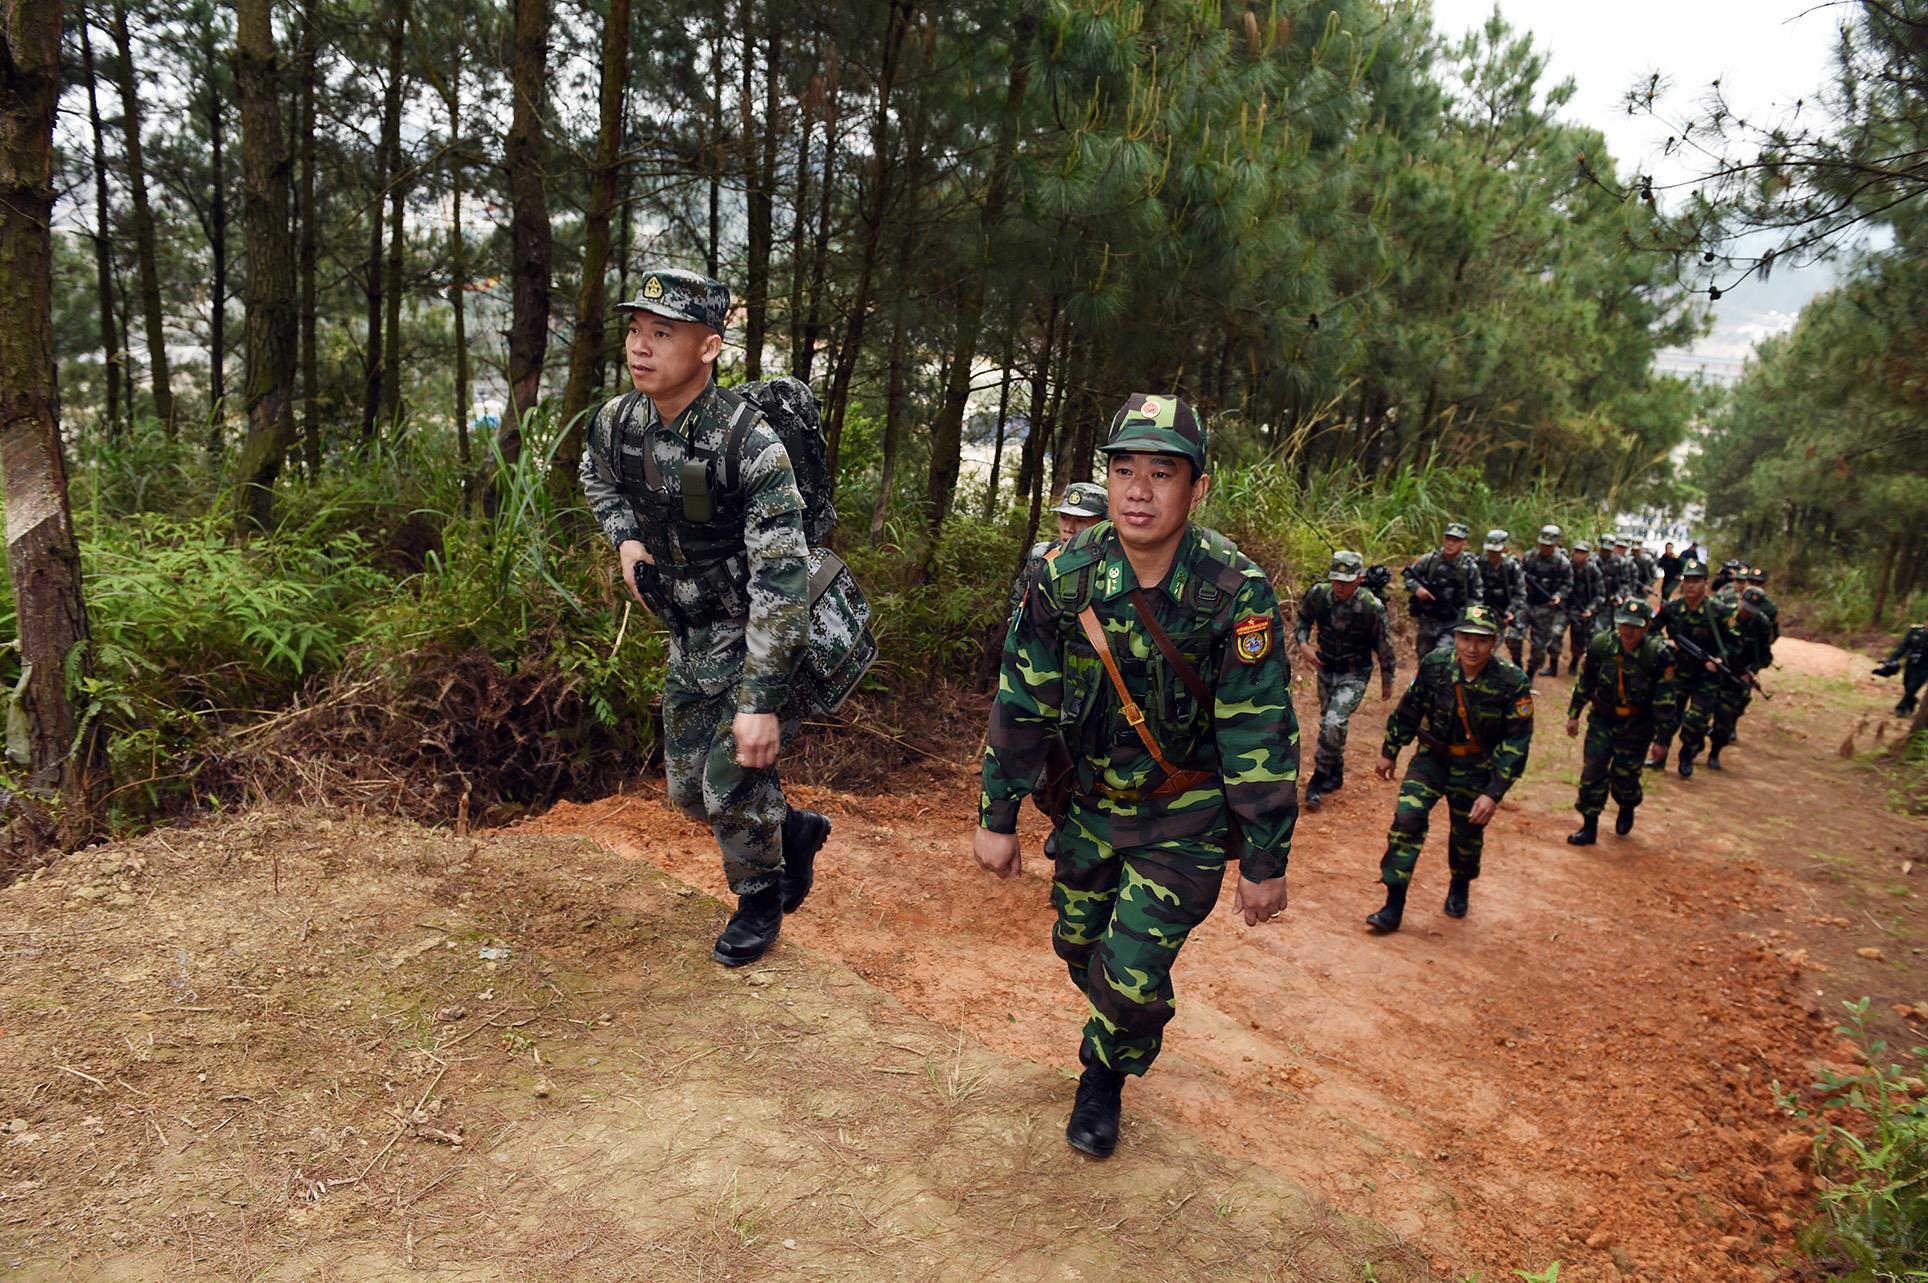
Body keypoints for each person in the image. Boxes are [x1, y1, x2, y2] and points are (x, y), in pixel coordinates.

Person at [975, 394, 1298, 1160]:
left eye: (1162, 472)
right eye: (1124, 470)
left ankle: (1102, 1076)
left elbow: (1257, 727)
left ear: (1198, 488)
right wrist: (996, 813)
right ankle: (1126, 1011)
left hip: (1182, 815)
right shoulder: (1065, 574)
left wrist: (1264, 859)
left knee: (1129, 970)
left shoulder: (1233, 588)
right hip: (1086, 808)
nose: (1139, 491)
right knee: (1077, 943)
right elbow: (1024, 697)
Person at [579, 267, 829, 967]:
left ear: (710, 347)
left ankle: (760, 902)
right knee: (690, 792)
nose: (640, 346)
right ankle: (795, 829)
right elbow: (593, 471)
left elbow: (783, 583)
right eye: (635, 329)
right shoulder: (620, 421)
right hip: (689, 634)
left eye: (663, 333)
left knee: (730, 778)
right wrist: (626, 537)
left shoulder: (749, 444)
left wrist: (760, 704)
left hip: (760, 636)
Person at [1366, 604, 1533, 932]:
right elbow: (1409, 709)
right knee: (1407, 819)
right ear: (1455, 637)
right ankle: (1393, 904)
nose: (1473, 647)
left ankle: (1460, 883)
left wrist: (1493, 793)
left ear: (1495, 642)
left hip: (1475, 767)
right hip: (1432, 759)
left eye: (1482, 640)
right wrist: (1390, 750)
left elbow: (1517, 742)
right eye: (1465, 638)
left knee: (1466, 835)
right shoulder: (1436, 665)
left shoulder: (1511, 681)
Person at [1565, 598, 1676, 843]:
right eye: (1625, 624)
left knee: (1625, 776)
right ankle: (1589, 825)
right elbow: (1586, 681)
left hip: (1636, 725)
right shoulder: (1602, 645)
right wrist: (1574, 714)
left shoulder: (1656, 655)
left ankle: (1627, 805)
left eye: (1635, 626)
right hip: (1603, 719)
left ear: (1647, 627)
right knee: (1593, 770)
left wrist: (1662, 740)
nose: (1628, 631)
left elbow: (1665, 700)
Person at [1295, 550, 1397, 811]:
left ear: (1359, 579)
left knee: (1333, 721)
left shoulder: (1370, 606)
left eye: (1346, 581)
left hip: (1355, 672)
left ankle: (1317, 780)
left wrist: (1387, 679)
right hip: (1325, 667)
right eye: (1336, 580)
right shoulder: (1319, 594)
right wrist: (1304, 646)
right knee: (1330, 723)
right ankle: (1335, 771)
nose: (1339, 586)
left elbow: (1384, 645)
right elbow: (1303, 621)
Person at [1648, 560, 1738, 778]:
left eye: (1696, 581)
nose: (1690, 586)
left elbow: (1735, 643)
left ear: (1706, 583)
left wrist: (1718, 659)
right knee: (1667, 715)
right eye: (1687, 581)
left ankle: (1687, 753)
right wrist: (1665, 645)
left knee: (1696, 721)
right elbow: (1650, 631)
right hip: (1677, 671)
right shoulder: (1671, 609)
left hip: (1706, 676)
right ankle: (1659, 756)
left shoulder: (1719, 612)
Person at [1009, 481, 1109, 616]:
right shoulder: (1041, 554)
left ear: (1102, 524)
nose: (1068, 528)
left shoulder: (1110, 563)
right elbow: (1019, 601)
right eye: (1064, 517)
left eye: (1080, 520)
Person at [1707, 587, 1776, 770]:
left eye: (1751, 610)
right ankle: (1693, 745)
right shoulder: (1725, 614)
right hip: (1716, 668)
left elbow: (1765, 656)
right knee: (1700, 713)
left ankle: (1715, 752)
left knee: (1727, 716)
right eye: (1744, 607)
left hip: (1739, 674)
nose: (1746, 613)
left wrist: (1751, 670)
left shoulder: (1762, 626)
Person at [1402, 522, 1486, 660]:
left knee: (1442, 656)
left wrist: (1467, 617)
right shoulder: (1429, 560)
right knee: (1423, 656)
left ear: (1464, 543)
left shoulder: (1469, 567)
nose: (1450, 544)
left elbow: (1477, 596)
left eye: (1456, 541)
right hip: (1428, 619)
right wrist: (1418, 589)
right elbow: (1408, 576)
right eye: (1448, 539)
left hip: (1453, 621)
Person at [1520, 525, 1574, 678]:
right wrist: (1523, 585)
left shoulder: (1562, 563)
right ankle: (1517, 665)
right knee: (1513, 637)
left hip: (1546, 607)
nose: (1545, 548)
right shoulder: (1530, 557)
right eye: (1542, 544)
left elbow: (1568, 584)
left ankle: (1530, 673)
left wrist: (1558, 596)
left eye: (1549, 546)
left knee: (1539, 646)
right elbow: (1519, 576)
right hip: (1527, 603)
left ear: (1556, 544)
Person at [1477, 529, 1528, 668]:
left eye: (1496, 552)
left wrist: (1511, 611)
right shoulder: (1479, 562)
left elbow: (1521, 593)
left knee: (1509, 641)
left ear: (1504, 549)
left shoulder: (1511, 567)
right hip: (1481, 610)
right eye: (1490, 551)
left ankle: (1517, 664)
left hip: (1503, 612)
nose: (1492, 555)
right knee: (1481, 646)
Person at [1565, 540, 1606, 671]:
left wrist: (1590, 609)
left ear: (1588, 554)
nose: (1578, 555)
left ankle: (1575, 661)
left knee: (1580, 638)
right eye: (1577, 551)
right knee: (1555, 633)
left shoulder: (1593, 571)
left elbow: (1600, 595)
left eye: (1582, 552)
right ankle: (1553, 664)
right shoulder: (1566, 567)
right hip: (1566, 607)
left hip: (1584, 609)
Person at [1878, 619, 1928, 717]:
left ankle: (1900, 708)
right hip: (1912, 662)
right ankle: (1911, 701)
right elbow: (1903, 646)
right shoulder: (1916, 630)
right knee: (1907, 684)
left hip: (1925, 666)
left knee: (1913, 686)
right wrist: (1892, 659)